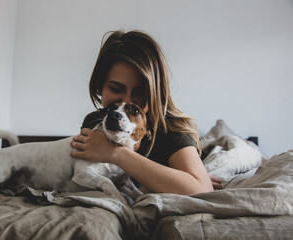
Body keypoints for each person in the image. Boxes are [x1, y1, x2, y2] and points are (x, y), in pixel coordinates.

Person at [70, 30, 222, 194]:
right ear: (100, 86)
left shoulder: (172, 131)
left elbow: (201, 189)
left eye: (140, 93)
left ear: (156, 94)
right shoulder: (96, 122)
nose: (127, 101)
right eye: (116, 89)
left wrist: (114, 153)